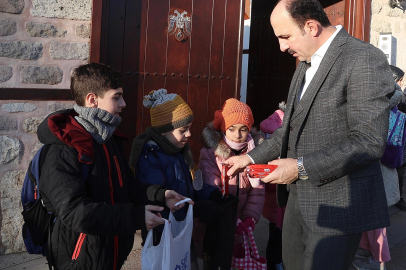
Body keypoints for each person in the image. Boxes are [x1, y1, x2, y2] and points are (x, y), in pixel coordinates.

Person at [225, 0, 396, 269]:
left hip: (338, 210)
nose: (282, 47)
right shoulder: (305, 63)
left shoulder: (364, 58)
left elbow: (369, 142)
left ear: (311, 27)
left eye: (285, 37)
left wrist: (300, 168)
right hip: (296, 205)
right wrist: (248, 158)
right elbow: (290, 129)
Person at [37, 63, 190, 270]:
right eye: (116, 97)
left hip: (111, 252)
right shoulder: (64, 148)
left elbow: (126, 185)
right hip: (78, 258)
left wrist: (160, 195)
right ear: (92, 100)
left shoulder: (107, 138)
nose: (124, 103)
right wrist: (134, 217)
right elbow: (75, 212)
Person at [129, 89, 225, 268]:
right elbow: (157, 198)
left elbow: (192, 183)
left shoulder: (180, 152)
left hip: (181, 229)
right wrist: (191, 210)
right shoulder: (151, 158)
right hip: (163, 232)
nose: (189, 134)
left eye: (189, 128)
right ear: (164, 132)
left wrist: (211, 195)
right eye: (183, 130)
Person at [196, 98, 265, 262]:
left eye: (243, 129)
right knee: (215, 259)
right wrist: (228, 219)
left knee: (235, 260)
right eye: (232, 129)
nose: (238, 135)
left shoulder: (255, 154)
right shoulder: (211, 154)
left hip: (242, 224)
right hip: (216, 221)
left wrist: (250, 217)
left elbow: (257, 190)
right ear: (223, 128)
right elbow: (211, 187)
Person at [259, 101, 286, 270]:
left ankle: (275, 263)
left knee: (276, 237)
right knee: (277, 239)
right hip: (277, 206)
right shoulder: (273, 155)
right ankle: (275, 264)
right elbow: (266, 182)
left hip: (275, 208)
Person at [391, 65, 406, 211]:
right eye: (400, 80)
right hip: (393, 140)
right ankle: (397, 197)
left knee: (400, 169)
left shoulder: (400, 95)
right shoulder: (395, 95)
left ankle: (398, 196)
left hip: (399, 139)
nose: (401, 83)